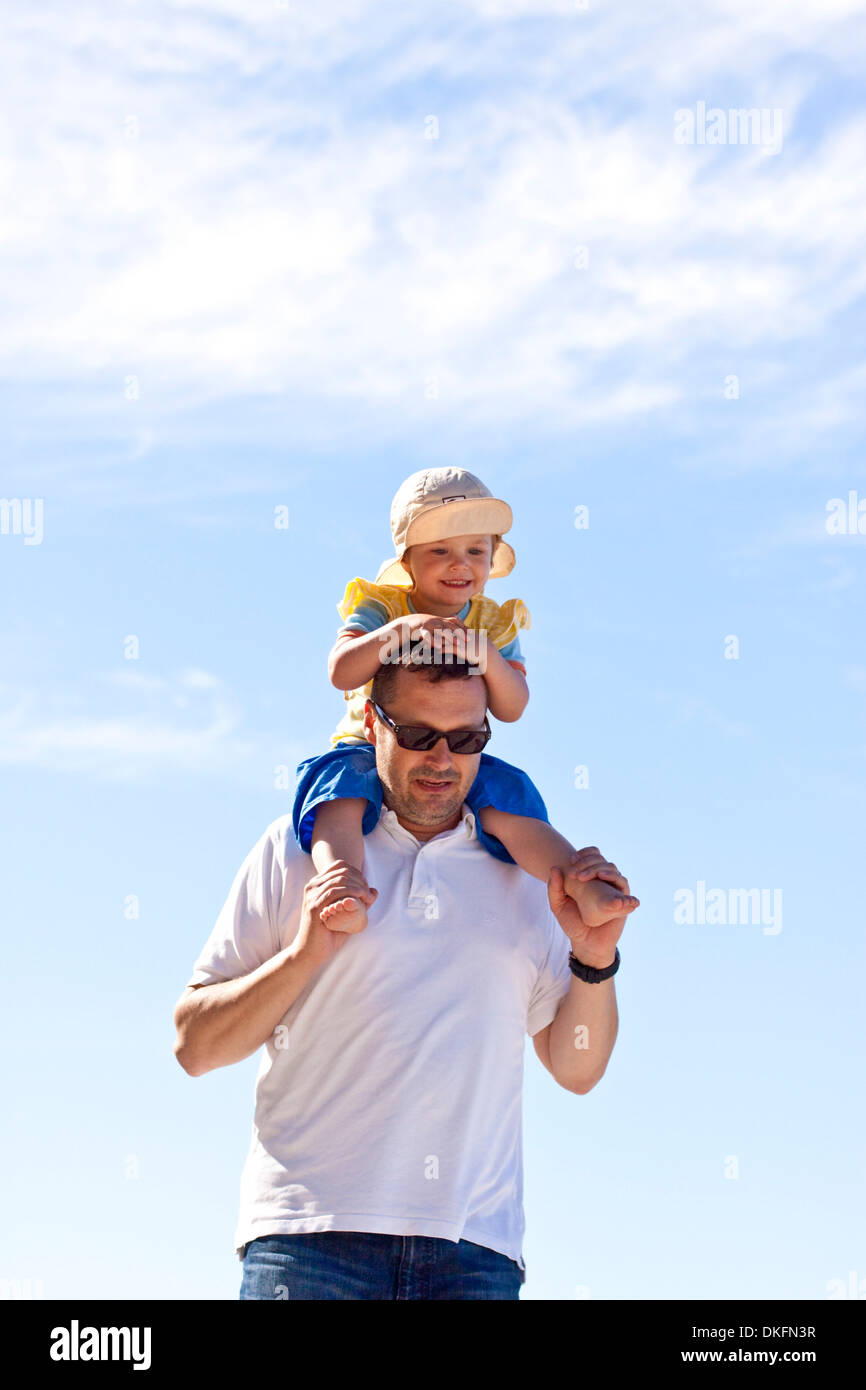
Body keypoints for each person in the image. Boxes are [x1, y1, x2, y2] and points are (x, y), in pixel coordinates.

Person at [173, 656, 638, 1300]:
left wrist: (593, 957)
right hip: (308, 1244)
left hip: (474, 1253)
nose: (443, 759)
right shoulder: (297, 848)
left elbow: (577, 1070)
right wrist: (308, 953)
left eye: (467, 739)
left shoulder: (533, 876)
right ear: (373, 722)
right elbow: (194, 1047)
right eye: (418, 736)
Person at [295, 466, 639, 932]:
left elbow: (512, 707)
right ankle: (344, 884)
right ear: (408, 559)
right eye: (440, 551)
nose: (460, 564)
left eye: (476, 551)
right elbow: (341, 672)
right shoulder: (385, 607)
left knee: (509, 799)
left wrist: (489, 657)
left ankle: (582, 884)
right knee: (341, 794)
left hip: (459, 748)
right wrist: (394, 634)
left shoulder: (492, 624)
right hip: (371, 745)